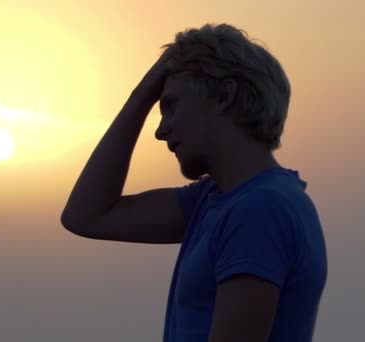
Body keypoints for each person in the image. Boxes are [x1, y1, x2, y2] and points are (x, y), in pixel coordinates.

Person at [60, 23, 328, 342]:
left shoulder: (260, 210)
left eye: (171, 106)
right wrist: (141, 95)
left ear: (224, 96)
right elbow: (86, 216)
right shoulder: (213, 201)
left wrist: (143, 95)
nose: (161, 131)